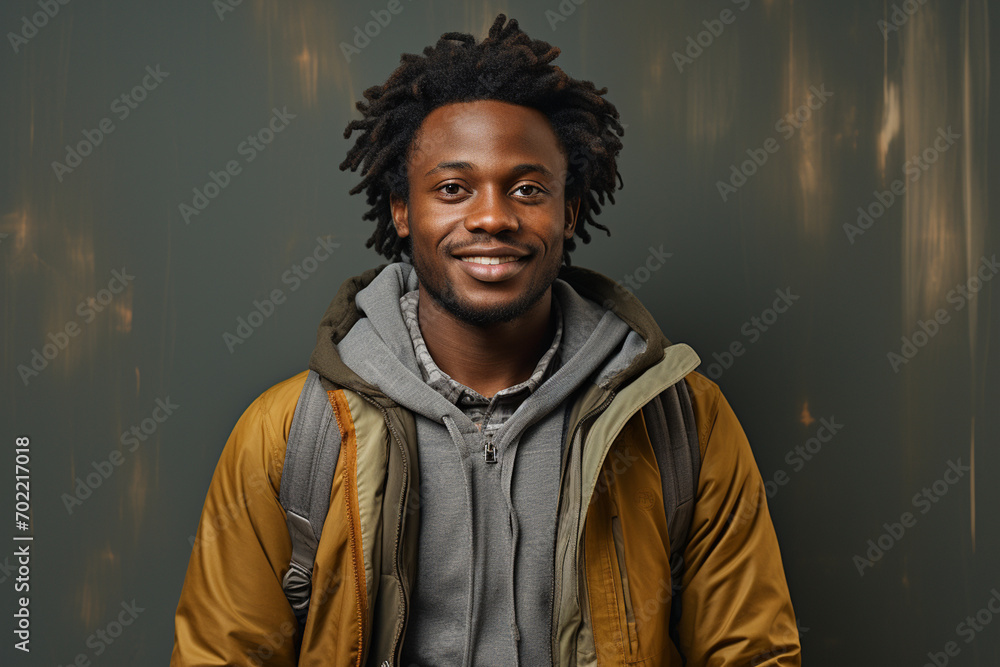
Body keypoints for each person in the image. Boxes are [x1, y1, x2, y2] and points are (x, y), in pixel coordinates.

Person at [171, 14, 800, 667]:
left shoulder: (680, 421)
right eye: (453, 188)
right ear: (402, 210)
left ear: (570, 210)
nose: (493, 216)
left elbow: (753, 655)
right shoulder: (289, 434)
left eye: (528, 188)